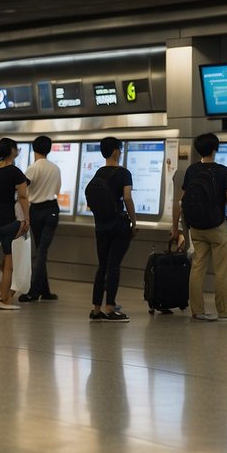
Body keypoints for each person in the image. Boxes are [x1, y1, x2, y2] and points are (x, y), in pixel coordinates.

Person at [170, 132, 227, 322]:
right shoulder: (224, 172)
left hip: (196, 227)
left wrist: (176, 227)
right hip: (217, 226)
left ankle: (197, 310)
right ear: (215, 149)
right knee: (222, 270)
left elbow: (181, 201)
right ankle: (223, 311)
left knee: (197, 268)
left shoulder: (192, 170)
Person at [87, 136, 134, 322]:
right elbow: (127, 197)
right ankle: (110, 308)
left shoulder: (98, 173)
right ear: (116, 151)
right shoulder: (124, 173)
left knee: (102, 266)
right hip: (118, 225)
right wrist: (134, 221)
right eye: (120, 149)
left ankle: (96, 309)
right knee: (113, 266)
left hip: (101, 226)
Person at [0, 137, 30, 310]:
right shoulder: (15, 172)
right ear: (12, 151)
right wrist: (27, 218)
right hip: (9, 221)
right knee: (9, 265)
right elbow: (23, 196)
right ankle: (4, 300)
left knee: (0, 261)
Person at [21, 135, 61, 302]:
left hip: (36, 211)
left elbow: (22, 190)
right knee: (42, 251)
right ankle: (45, 291)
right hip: (52, 209)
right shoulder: (55, 168)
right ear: (49, 149)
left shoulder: (32, 168)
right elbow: (57, 190)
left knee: (40, 251)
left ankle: (34, 291)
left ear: (34, 148)